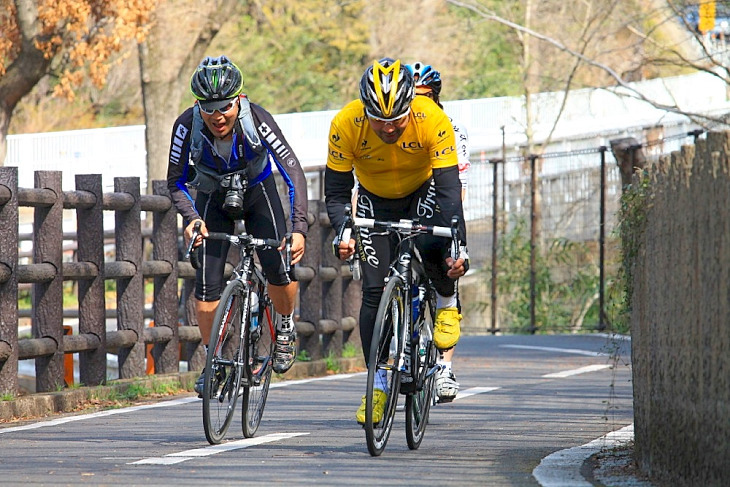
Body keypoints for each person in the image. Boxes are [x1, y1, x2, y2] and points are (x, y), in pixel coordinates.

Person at [325, 58, 468, 424]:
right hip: (375, 198)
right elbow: (338, 192)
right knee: (374, 292)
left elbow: (451, 192)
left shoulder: (432, 119)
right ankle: (378, 381)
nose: (388, 128)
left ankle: (446, 301)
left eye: (397, 120)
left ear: (410, 107)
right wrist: (343, 230)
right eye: (379, 120)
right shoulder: (346, 123)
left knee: (436, 244)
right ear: (365, 110)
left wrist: (459, 248)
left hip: (424, 190)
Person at [166, 55, 308, 395]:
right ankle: (212, 359)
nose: (218, 116)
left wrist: (299, 227)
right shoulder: (186, 125)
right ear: (198, 106)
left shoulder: (257, 119)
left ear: (239, 100)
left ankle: (284, 326)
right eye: (209, 108)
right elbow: (175, 182)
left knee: (277, 266)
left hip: (258, 194)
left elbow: (294, 172)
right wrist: (193, 218)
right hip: (213, 199)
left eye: (225, 107)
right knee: (205, 284)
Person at [407, 61, 471, 403]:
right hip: (400, 200)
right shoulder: (392, 125)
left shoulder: (451, 129)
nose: (417, 104)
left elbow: (457, 187)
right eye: (411, 97)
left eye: (424, 97)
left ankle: (445, 367)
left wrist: (454, 235)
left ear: (435, 97)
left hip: (439, 201)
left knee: (447, 265)